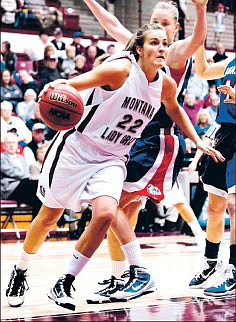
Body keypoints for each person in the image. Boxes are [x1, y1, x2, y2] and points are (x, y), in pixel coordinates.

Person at [5, 23, 218, 310]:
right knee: (48, 218)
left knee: (105, 214)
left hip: (113, 157)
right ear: (139, 49)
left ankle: (65, 281)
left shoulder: (164, 82)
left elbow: (174, 108)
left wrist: (197, 139)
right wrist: (53, 89)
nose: (162, 49)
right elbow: (73, 85)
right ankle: (20, 271)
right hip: (77, 149)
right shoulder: (120, 69)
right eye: (155, 43)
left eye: (165, 44)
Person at [81, 0, 224, 304]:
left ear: (175, 28)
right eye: (154, 21)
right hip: (132, 139)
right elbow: (112, 25)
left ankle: (139, 273)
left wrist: (200, 9)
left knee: (111, 206)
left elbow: (197, 41)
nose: (159, 26)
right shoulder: (141, 46)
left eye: (166, 22)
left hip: (158, 139)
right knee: (120, 214)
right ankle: (121, 276)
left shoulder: (172, 52)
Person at [188, 45, 235, 297]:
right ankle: (210, 262)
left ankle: (234, 268)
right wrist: (198, 42)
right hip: (225, 132)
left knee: (234, 205)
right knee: (215, 206)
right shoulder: (230, 62)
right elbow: (203, 70)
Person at [1, 132, 42, 220]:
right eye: (9, 143)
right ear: (4, 145)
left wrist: (31, 177)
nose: (12, 145)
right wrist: (30, 177)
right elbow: (11, 172)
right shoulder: (2, 158)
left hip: (24, 187)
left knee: (39, 197)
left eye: (14, 143)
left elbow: (27, 171)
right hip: (10, 189)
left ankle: (35, 227)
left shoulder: (21, 158)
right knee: (38, 187)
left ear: (17, 145)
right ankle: (60, 218)